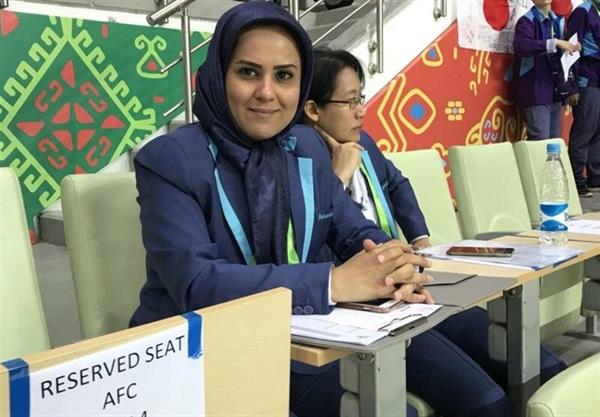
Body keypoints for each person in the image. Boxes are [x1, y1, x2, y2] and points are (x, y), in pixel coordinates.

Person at [129, 3, 432, 417]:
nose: (267, 92)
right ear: (219, 75)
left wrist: (392, 263)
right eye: (248, 72)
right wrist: (334, 283)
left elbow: (348, 227)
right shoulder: (170, 160)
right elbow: (197, 284)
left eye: (284, 76)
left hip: (297, 341)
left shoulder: (305, 147)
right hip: (200, 357)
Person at [302, 47, 567, 417]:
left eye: (361, 97)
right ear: (313, 109)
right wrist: (338, 178)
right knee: (486, 401)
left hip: (407, 281)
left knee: (543, 367)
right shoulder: (299, 156)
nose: (362, 110)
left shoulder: (364, 141)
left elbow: (397, 184)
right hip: (362, 305)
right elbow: (304, 245)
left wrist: (420, 240)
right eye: (350, 102)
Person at [512, 0, 581, 140]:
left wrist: (573, 48)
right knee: (540, 141)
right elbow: (521, 46)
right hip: (536, 91)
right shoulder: (527, 21)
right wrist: (555, 43)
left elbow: (565, 57)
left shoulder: (558, 22)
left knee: (554, 142)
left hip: (556, 90)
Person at [566, 0, 600, 197]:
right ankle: (577, 181)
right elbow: (571, 50)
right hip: (586, 79)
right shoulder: (582, 11)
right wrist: (572, 86)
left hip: (598, 79)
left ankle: (595, 178)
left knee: (597, 131)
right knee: (584, 130)